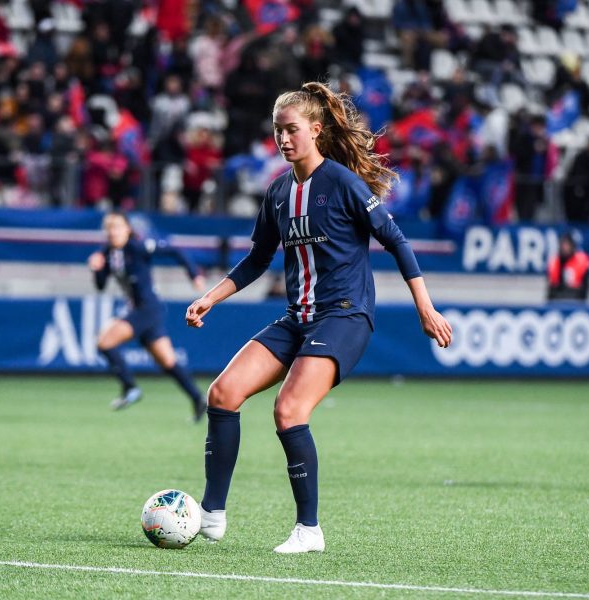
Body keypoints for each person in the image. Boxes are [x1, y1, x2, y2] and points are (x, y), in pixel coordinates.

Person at [184, 82, 453, 553]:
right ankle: (211, 514)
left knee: (288, 411)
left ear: (315, 129)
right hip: (297, 318)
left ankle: (309, 530)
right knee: (222, 394)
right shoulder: (278, 192)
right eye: (277, 131)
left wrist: (425, 308)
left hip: (344, 317)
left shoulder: (344, 185)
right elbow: (256, 259)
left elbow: (397, 241)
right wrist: (212, 296)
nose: (283, 139)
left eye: (291, 130)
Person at [88, 212, 207, 421]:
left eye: (117, 227)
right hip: (143, 310)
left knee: (104, 342)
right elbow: (100, 286)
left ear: (127, 229)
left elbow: (174, 250)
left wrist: (194, 274)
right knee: (167, 361)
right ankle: (198, 399)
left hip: (147, 308)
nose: (113, 232)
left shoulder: (137, 246)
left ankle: (130, 387)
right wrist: (96, 270)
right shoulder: (107, 253)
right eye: (109, 228)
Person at [547, 231, 589, 301]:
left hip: (576, 299)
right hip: (558, 299)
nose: (564, 248)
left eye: (567, 245)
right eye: (562, 245)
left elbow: (585, 288)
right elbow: (551, 289)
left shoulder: (581, 261)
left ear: (572, 246)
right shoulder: (555, 262)